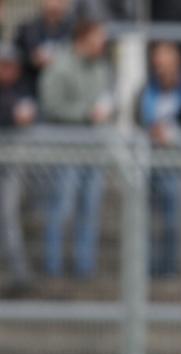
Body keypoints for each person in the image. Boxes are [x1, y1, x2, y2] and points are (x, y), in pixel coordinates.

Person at [39, 19, 112, 279]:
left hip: (94, 149)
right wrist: (85, 113)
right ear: (83, 39)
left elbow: (105, 99)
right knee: (62, 208)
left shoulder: (102, 68)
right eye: (97, 38)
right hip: (66, 149)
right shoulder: (60, 66)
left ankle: (85, 267)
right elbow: (50, 105)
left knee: (90, 209)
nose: (102, 44)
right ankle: (53, 267)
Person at [136, 42, 181, 278]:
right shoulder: (147, 90)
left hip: (172, 162)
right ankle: (145, 268)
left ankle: (168, 269)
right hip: (147, 161)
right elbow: (138, 120)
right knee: (145, 220)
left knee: (171, 220)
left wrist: (171, 133)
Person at [0, 44, 36, 295]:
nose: (8, 69)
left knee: (9, 216)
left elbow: (32, 112)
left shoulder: (23, 89)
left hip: (11, 165)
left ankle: (20, 275)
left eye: (11, 64)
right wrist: (13, 116)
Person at [14, 0, 74, 98]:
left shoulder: (74, 28)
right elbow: (16, 57)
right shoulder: (27, 28)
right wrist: (32, 59)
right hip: (32, 86)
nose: (55, 4)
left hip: (65, 89)